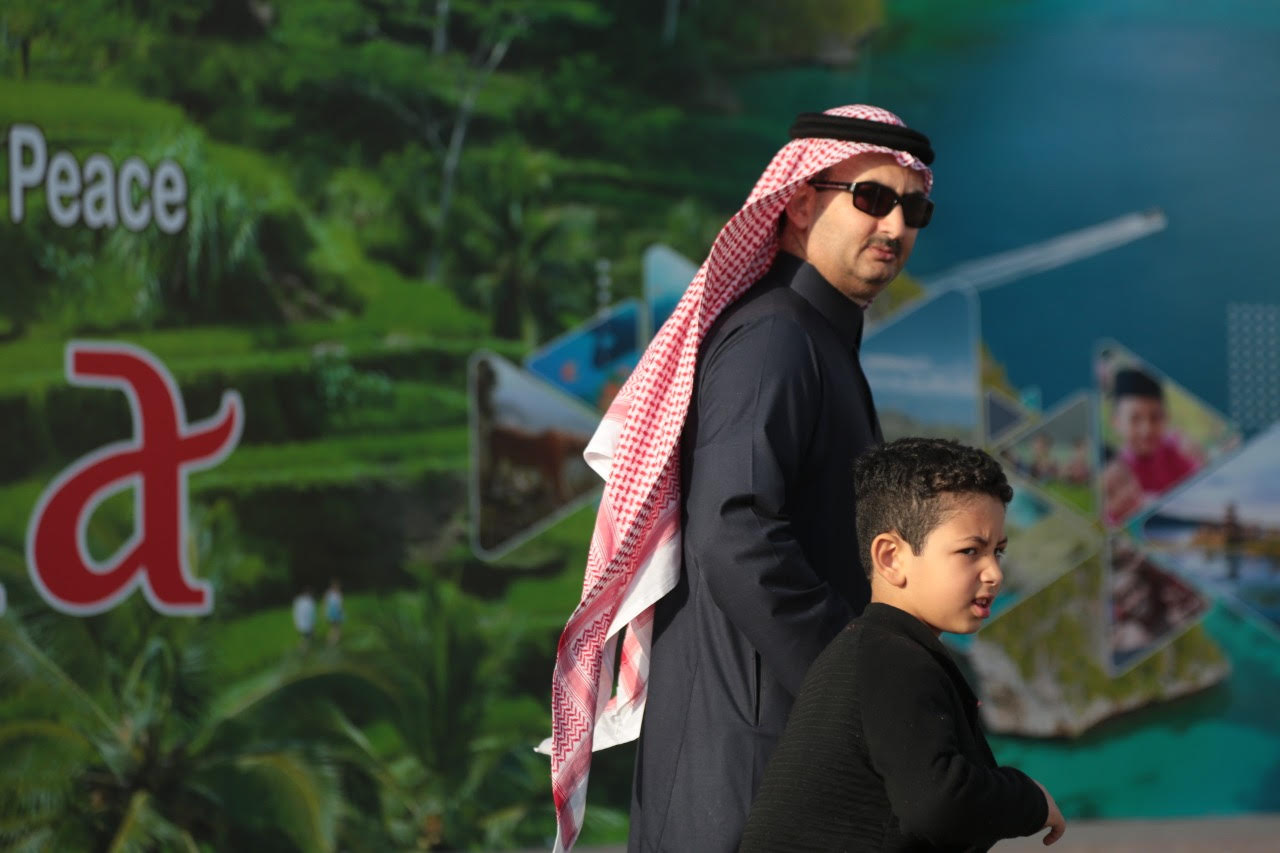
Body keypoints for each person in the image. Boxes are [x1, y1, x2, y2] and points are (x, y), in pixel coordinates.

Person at [547, 105, 935, 853]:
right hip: (742, 777)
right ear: (799, 202)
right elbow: (736, 531)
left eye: (913, 209)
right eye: (872, 198)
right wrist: (856, 672)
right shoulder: (776, 338)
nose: (895, 226)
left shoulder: (814, 337)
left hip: (767, 763)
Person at [740, 437, 1066, 852]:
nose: (994, 574)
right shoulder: (893, 659)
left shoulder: (871, 649)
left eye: (997, 552)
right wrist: (1029, 798)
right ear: (891, 557)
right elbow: (939, 804)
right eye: (970, 551)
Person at [1104, 367, 1200, 520]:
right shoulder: (1114, 472)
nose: (1146, 430)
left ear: (1166, 418)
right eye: (1135, 419)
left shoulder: (1176, 449)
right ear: (1116, 422)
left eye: (1155, 417)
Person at [324, 579, 345, 645]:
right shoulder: (329, 593)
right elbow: (326, 603)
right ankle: (333, 640)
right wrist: (326, 612)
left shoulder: (339, 593)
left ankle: (335, 638)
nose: (337, 587)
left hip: (338, 611)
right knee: (334, 626)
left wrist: (341, 610)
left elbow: (341, 603)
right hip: (332, 611)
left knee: (337, 626)